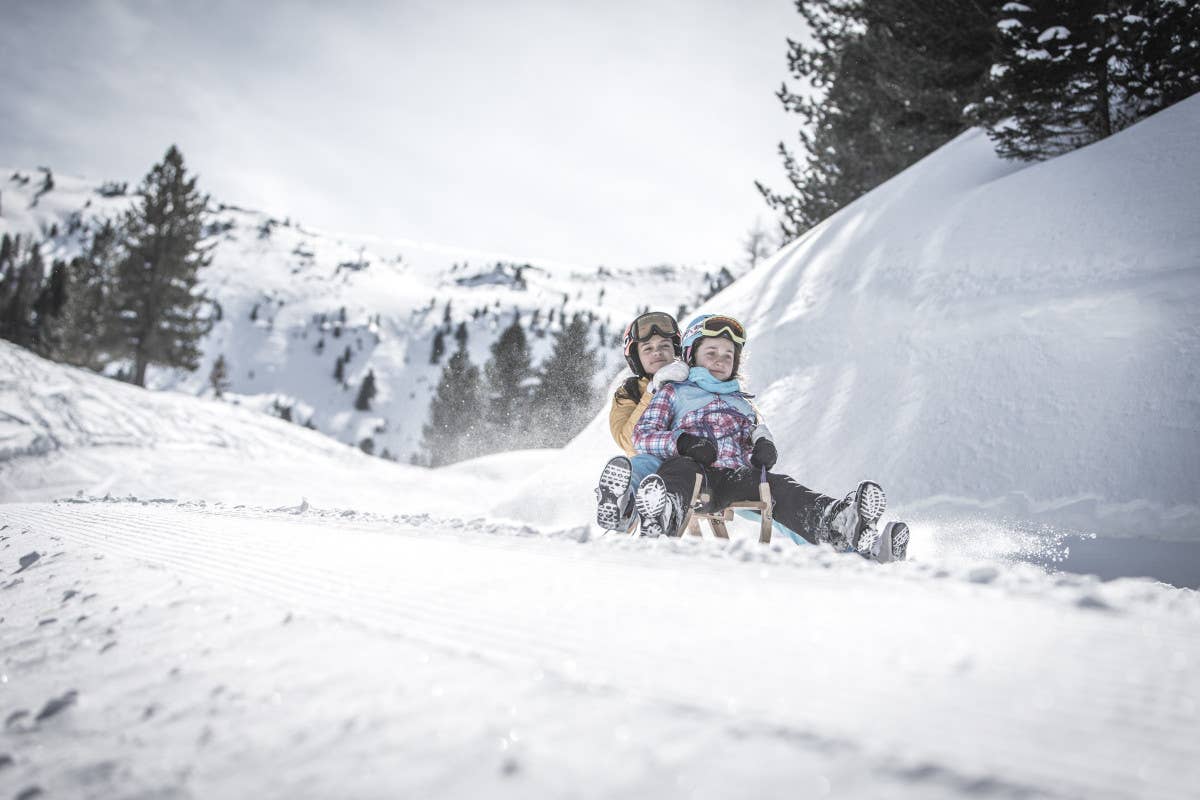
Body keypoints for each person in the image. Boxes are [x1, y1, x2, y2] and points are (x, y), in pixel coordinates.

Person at [630, 313, 909, 561]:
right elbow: (642, 436)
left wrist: (763, 447)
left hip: (733, 476)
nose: (720, 360)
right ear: (691, 355)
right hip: (692, 475)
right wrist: (682, 443)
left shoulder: (742, 403)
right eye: (711, 352)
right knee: (680, 469)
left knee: (779, 487)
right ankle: (662, 515)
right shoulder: (674, 391)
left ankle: (842, 524)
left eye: (728, 355)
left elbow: (757, 433)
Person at [594, 311, 690, 532]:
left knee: (675, 470)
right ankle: (621, 506)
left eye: (665, 346)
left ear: (675, 351)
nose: (657, 353)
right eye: (648, 348)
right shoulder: (628, 393)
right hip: (649, 462)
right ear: (636, 357)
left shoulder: (693, 382)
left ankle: (658, 521)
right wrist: (652, 390)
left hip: (686, 463)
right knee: (638, 465)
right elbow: (628, 441)